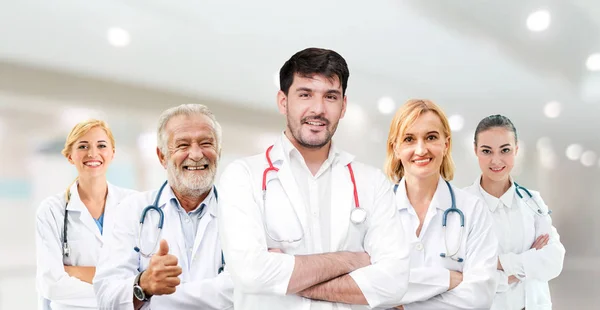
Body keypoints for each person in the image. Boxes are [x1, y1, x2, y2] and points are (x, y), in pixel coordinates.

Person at [218, 47, 410, 310]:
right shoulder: (243, 176)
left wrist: (287, 279)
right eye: (305, 94)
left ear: (343, 106)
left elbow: (394, 283)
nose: (318, 109)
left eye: (330, 96)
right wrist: (350, 261)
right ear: (283, 101)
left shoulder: (372, 182)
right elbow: (250, 272)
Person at [93, 104, 233, 309]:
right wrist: (144, 284)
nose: (195, 154)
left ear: (218, 152)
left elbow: (247, 289)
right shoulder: (132, 210)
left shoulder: (241, 211)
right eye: (183, 145)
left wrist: (155, 298)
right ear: (162, 157)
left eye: (205, 143)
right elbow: (106, 296)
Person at [384, 99, 497, 309]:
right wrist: (446, 280)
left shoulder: (473, 210)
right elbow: (364, 286)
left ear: (446, 144)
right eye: (409, 139)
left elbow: (479, 296)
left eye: (431, 137)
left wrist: (402, 304)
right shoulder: (376, 210)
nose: (421, 149)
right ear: (396, 148)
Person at [463, 114, 565, 310]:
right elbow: (465, 277)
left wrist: (500, 263)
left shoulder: (532, 201)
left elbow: (554, 260)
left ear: (516, 150)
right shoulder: (463, 207)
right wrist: (528, 262)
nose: (496, 160)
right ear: (476, 150)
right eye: (486, 151)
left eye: (505, 150)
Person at [35, 119, 137, 310]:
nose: (92, 153)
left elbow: (146, 274)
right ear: (70, 156)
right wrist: (122, 292)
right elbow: (51, 284)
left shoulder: (134, 204)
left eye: (101, 145)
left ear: (112, 153)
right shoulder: (51, 210)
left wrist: (75, 273)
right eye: (83, 146)